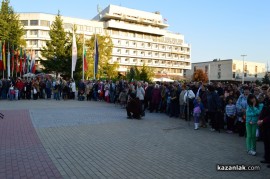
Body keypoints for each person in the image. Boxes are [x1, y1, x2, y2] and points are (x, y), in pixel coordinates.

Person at [258, 87, 270, 167]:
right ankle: (267, 158)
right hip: (265, 125)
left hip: (268, 123)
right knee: (266, 142)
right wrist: (259, 119)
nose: (268, 92)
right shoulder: (267, 100)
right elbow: (263, 110)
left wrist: (263, 120)